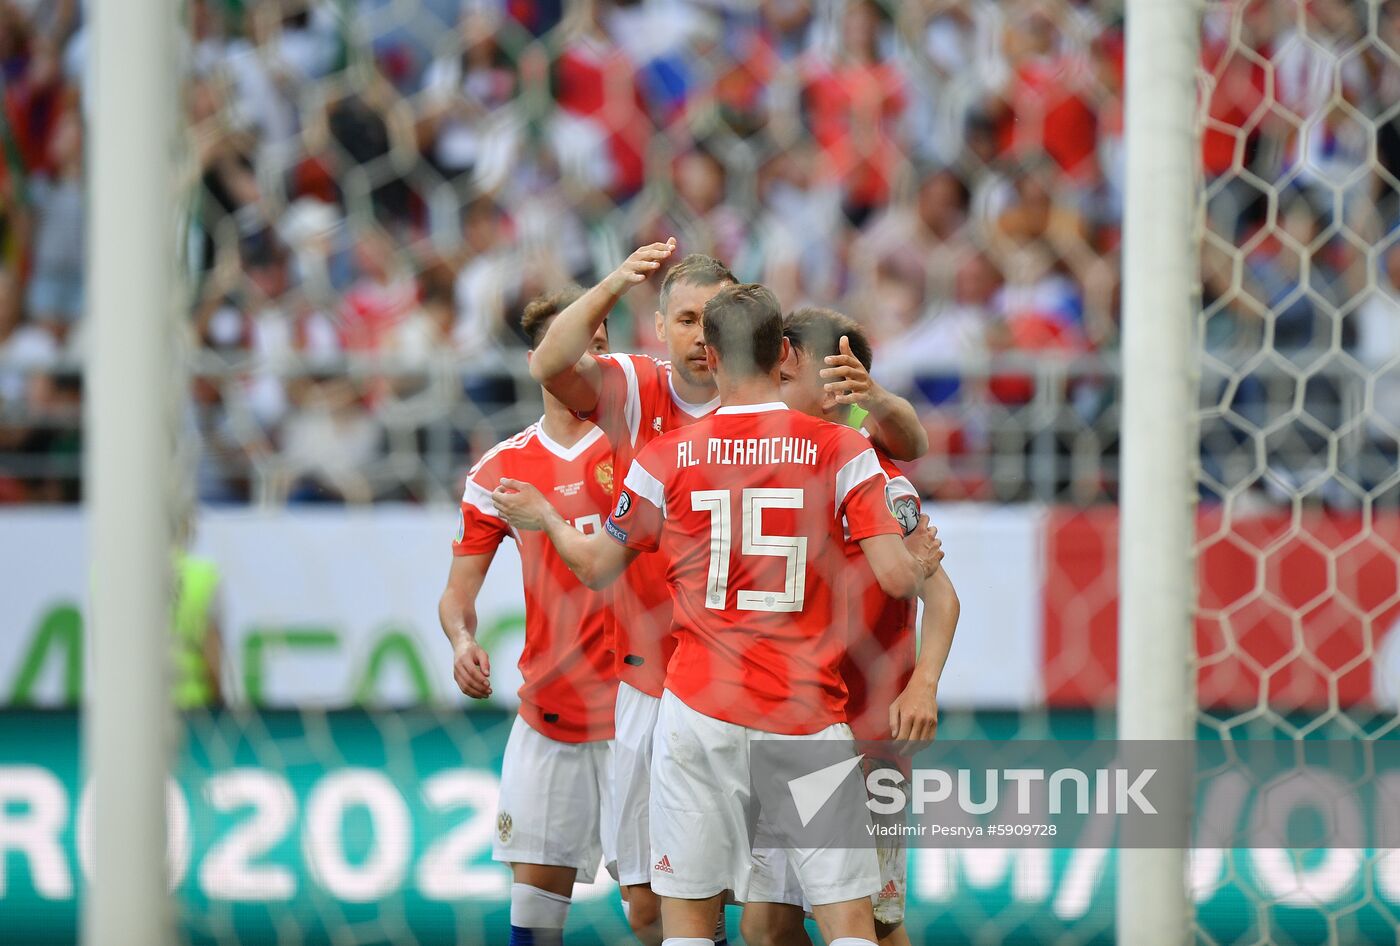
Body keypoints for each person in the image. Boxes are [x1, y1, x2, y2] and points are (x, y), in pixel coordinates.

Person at [495, 284, 943, 946]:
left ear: (709, 351)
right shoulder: (839, 450)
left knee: (691, 921)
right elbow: (897, 578)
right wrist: (923, 562)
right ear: (783, 351)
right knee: (851, 923)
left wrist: (546, 520)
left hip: (699, 712)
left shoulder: (665, 456)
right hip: (804, 713)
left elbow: (595, 567)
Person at [765, 307, 962, 946]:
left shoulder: (878, 476)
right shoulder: (764, 464)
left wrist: (923, 685)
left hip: (865, 730)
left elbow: (944, 598)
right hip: (783, 722)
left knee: (876, 924)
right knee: (770, 925)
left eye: (785, 368)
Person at [437, 288, 618, 946]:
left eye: (601, 345)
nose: (593, 359)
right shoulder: (501, 470)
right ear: (541, 360)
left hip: (642, 710)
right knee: (537, 919)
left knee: (662, 914)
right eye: (577, 346)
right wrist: (462, 640)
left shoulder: (641, 450)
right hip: (552, 713)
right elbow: (457, 595)